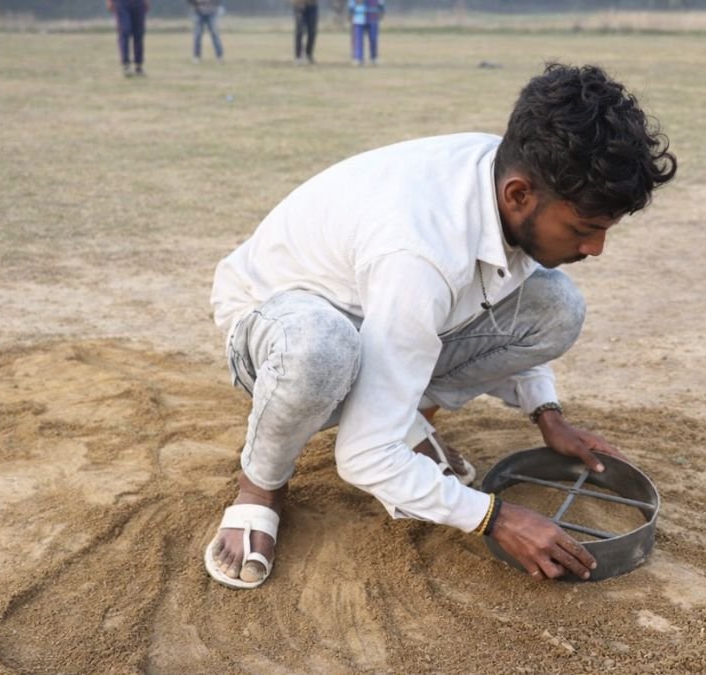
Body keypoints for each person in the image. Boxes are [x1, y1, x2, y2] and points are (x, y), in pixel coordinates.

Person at [204, 63, 677, 589]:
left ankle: (399, 415)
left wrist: (547, 413)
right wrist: (494, 517)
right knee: (322, 353)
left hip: (379, 307)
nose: (596, 247)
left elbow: (498, 289)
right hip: (279, 324)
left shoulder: (516, 175)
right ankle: (261, 486)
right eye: (584, 228)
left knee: (557, 306)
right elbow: (360, 458)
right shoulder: (421, 251)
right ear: (518, 195)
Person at [107, 0, 148, 77]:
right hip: (121, 3)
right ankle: (126, 65)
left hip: (138, 3)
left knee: (138, 34)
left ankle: (138, 66)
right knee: (124, 31)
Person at [348, 0, 383, 66]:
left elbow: (381, 2)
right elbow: (351, 2)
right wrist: (351, 8)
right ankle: (358, 58)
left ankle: (373, 57)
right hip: (359, 16)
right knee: (358, 39)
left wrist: (381, 8)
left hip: (372, 14)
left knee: (373, 38)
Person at [292, 0, 318, 65]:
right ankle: (298, 56)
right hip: (299, 6)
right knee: (299, 31)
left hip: (312, 5)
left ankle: (308, 54)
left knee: (312, 31)